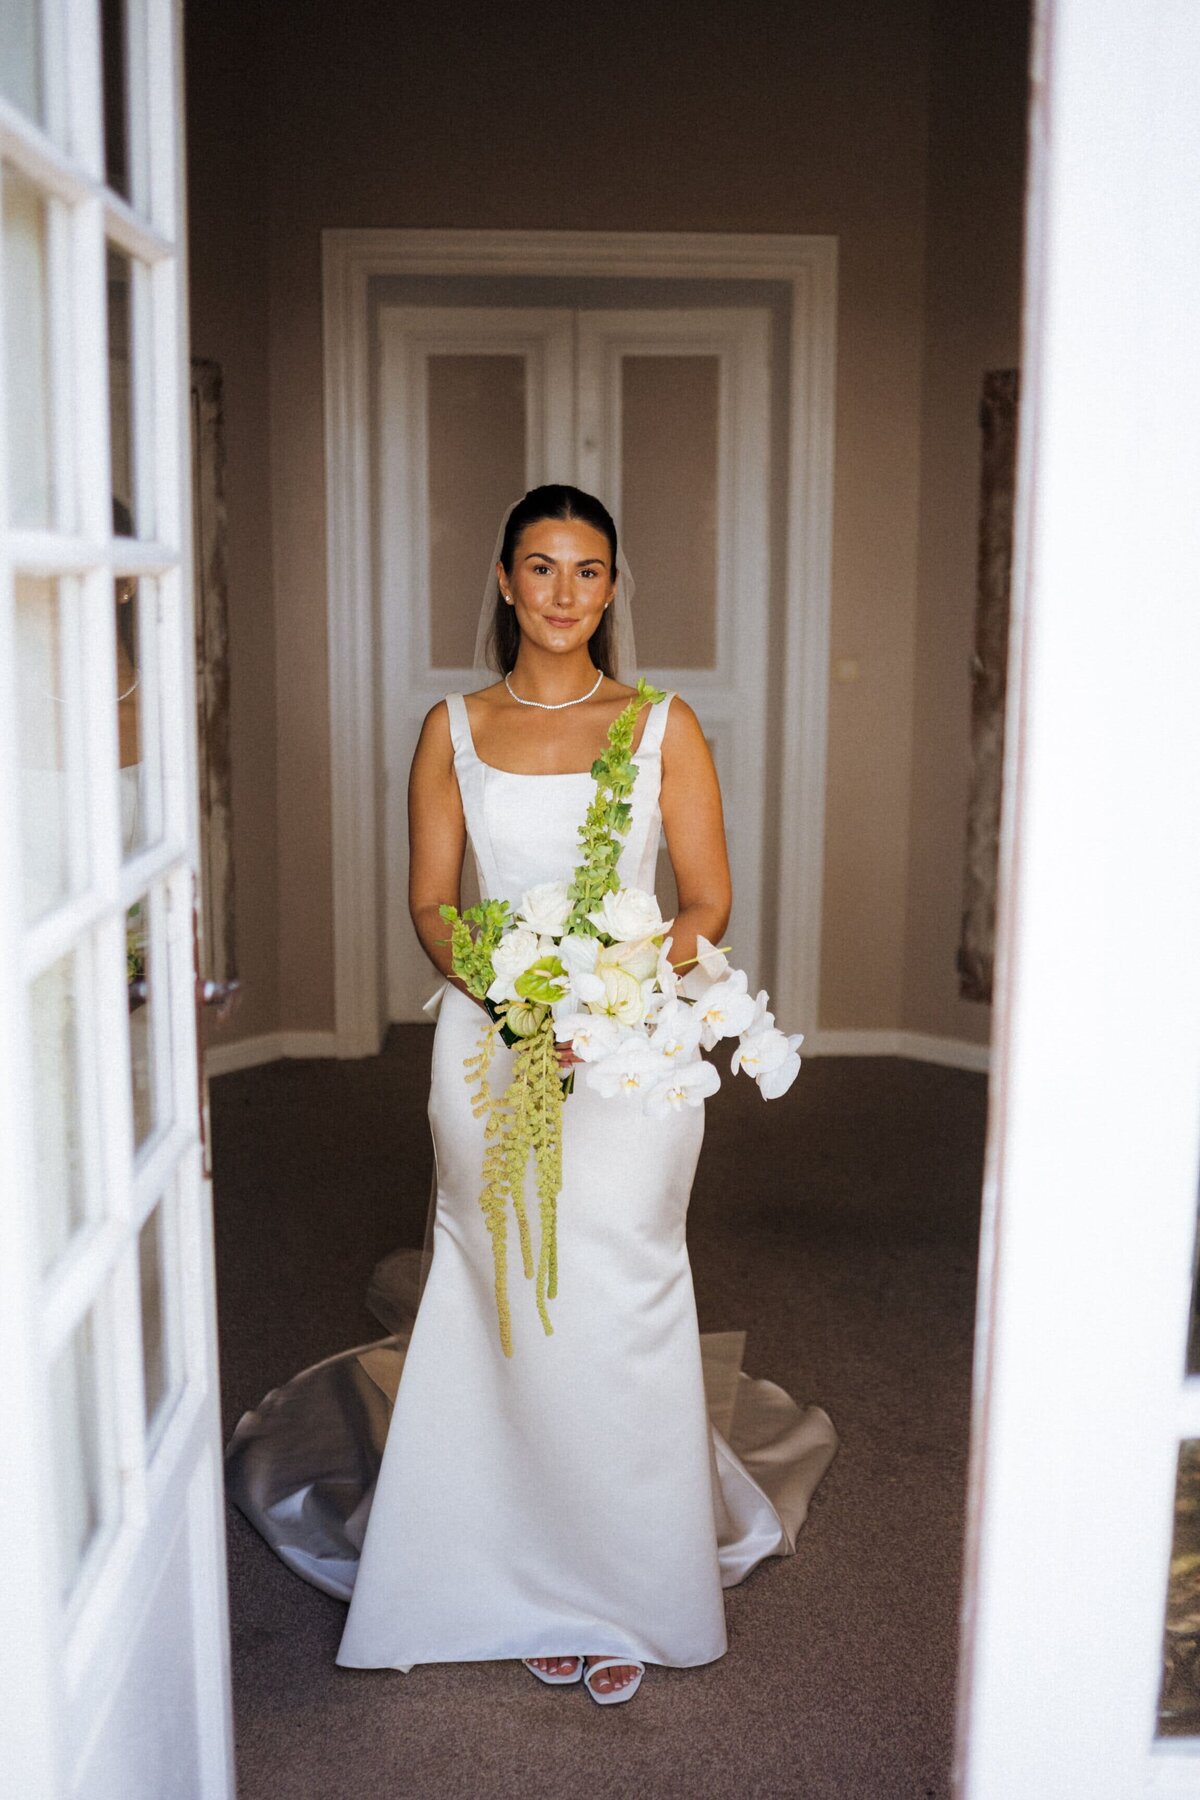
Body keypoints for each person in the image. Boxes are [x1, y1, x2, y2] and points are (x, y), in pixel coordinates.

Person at [223, 484, 838, 1706]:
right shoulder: (450, 727)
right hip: (490, 1035)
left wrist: (605, 990)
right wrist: (516, 998)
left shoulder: (664, 724)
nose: (565, 593)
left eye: (590, 571)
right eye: (543, 568)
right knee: (500, 1282)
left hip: (631, 1047)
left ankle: (623, 1581)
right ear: (505, 581)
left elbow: (704, 903)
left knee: (619, 1279)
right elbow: (432, 905)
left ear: (612, 590)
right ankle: (508, 1570)